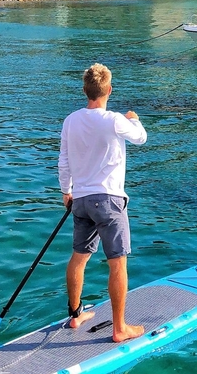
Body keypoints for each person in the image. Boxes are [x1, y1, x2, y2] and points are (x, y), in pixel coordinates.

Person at [58, 63, 147, 342]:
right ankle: (120, 329)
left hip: (81, 200)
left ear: (85, 90)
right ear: (108, 89)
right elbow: (141, 138)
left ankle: (75, 316)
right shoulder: (114, 119)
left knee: (79, 258)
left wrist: (66, 192)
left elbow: (63, 161)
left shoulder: (70, 120)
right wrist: (134, 120)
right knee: (117, 264)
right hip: (108, 201)